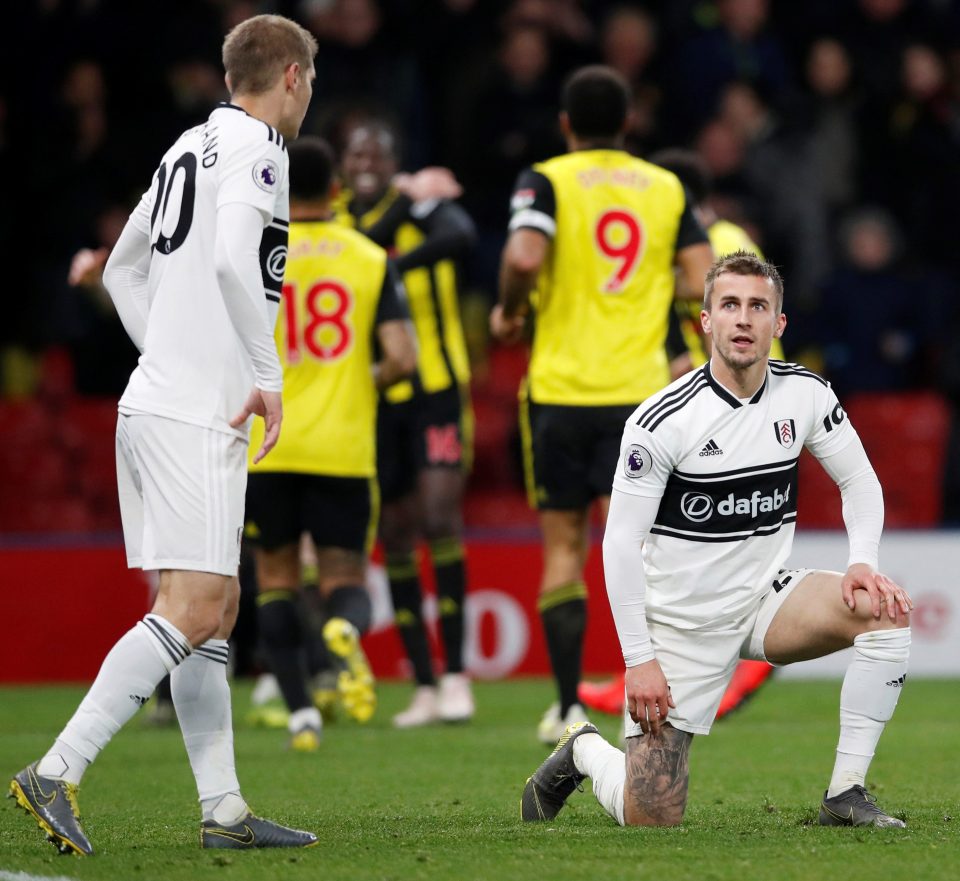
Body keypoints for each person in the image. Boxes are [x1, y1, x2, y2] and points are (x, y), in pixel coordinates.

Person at [9, 15, 320, 854]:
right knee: (195, 607)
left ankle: (223, 811)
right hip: (194, 414)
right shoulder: (261, 149)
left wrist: (169, 353)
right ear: (290, 76)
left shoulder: (187, 146)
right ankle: (54, 769)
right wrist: (265, 375)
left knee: (213, 611)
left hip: (155, 402)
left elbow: (119, 268)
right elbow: (229, 261)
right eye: (311, 81)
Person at [521, 251, 913, 830]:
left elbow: (860, 482)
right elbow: (620, 543)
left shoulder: (805, 394)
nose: (743, 319)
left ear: (779, 324)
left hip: (765, 601)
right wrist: (640, 660)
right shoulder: (661, 421)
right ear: (706, 320)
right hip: (684, 623)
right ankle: (581, 749)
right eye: (729, 305)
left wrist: (862, 562)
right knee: (650, 816)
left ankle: (845, 793)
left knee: (886, 612)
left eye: (759, 307)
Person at [490, 65, 714, 744]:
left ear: (565, 124)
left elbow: (526, 256)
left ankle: (565, 705)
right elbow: (701, 278)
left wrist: (507, 309)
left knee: (563, 548)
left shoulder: (546, 178)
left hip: (560, 391)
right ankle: (651, 693)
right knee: (641, 549)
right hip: (641, 398)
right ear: (629, 124)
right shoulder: (666, 185)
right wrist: (652, 293)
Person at [578, 147, 779, 718]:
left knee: (675, 546)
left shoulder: (715, 251)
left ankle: (727, 665)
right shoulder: (728, 239)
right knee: (678, 547)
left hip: (731, 408)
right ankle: (666, 670)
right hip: (719, 405)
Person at [244, 135, 416, 751]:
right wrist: (354, 380)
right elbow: (402, 357)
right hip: (342, 448)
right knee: (344, 574)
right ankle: (343, 628)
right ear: (337, 190)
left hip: (270, 444)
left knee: (276, 578)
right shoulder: (369, 257)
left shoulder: (257, 251)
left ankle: (300, 716)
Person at [335, 121, 478, 728]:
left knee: (440, 517)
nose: (366, 160)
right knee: (393, 532)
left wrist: (391, 267)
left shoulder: (422, 207)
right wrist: (381, 260)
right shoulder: (334, 219)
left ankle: (455, 676)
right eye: (356, 152)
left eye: (377, 151)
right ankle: (422, 682)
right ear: (343, 165)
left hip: (437, 391)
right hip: (377, 396)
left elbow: (463, 236)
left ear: (393, 161)